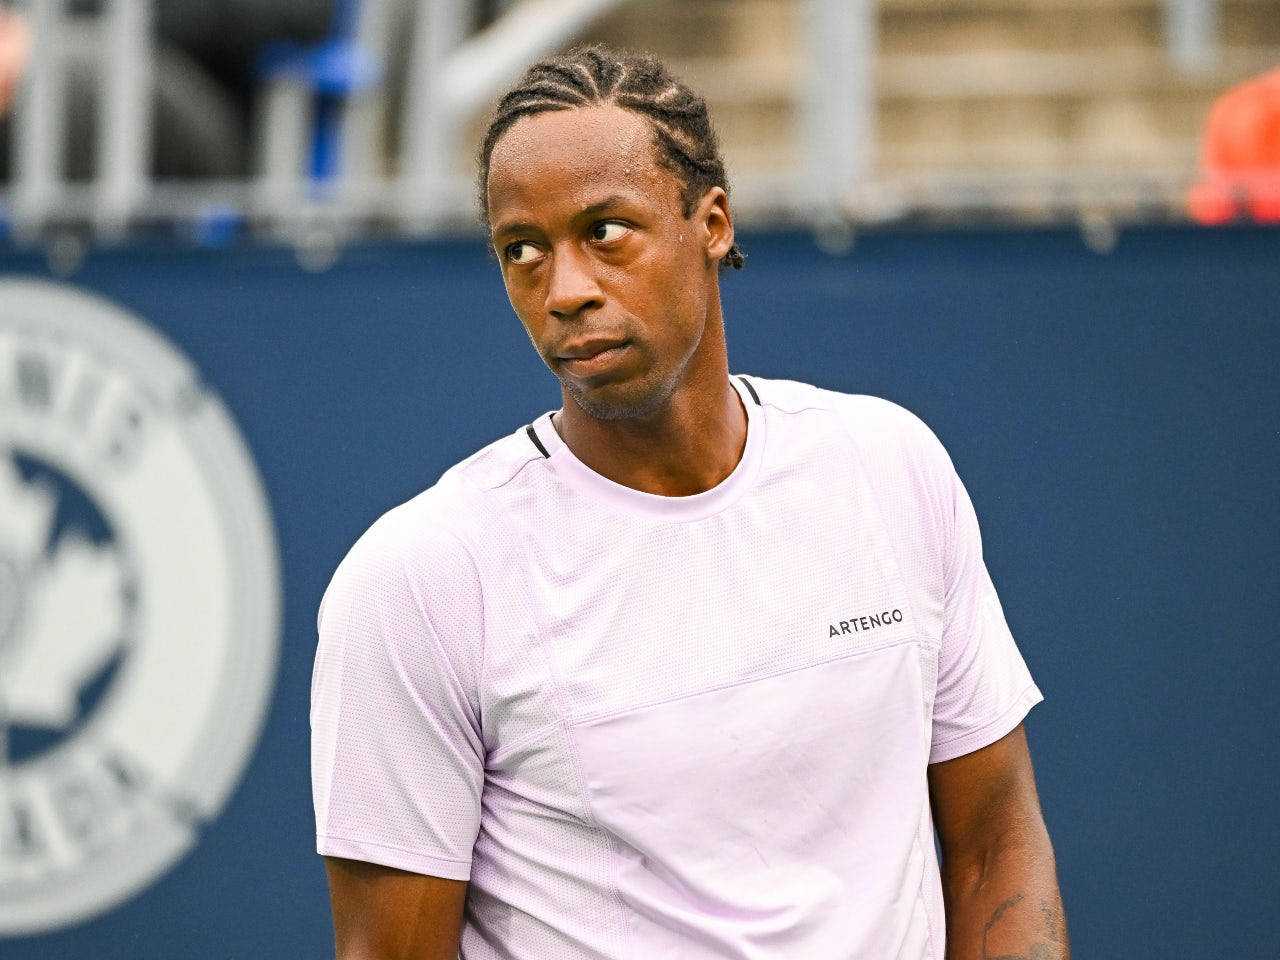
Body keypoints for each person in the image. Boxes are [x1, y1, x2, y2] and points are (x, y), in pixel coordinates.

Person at [311, 45, 1070, 960]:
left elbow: (996, 845)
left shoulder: (889, 465)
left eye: (605, 231)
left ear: (710, 224)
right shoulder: (420, 577)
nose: (565, 290)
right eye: (523, 250)